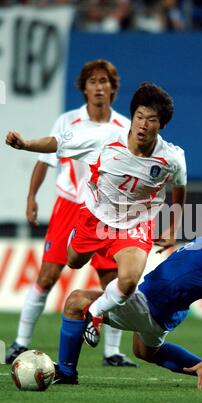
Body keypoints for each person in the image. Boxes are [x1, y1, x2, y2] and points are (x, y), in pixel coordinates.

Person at [6, 82, 187, 351]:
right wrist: (25, 144)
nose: (143, 125)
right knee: (74, 261)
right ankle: (75, 240)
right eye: (139, 117)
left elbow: (180, 188)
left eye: (151, 120)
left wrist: (174, 227)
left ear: (161, 125)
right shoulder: (106, 139)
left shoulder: (172, 158)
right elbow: (58, 143)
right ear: (132, 116)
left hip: (133, 226)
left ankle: (95, 314)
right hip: (95, 218)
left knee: (128, 281)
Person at [50, 195, 202, 388]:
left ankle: (67, 372)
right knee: (143, 351)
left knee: (75, 301)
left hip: (148, 304)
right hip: (162, 313)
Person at [5, 59, 137, 368]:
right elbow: (46, 159)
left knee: (113, 281)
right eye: (92, 81)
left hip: (106, 211)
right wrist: (31, 197)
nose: (98, 87)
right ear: (84, 88)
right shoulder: (68, 122)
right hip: (69, 206)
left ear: (113, 89)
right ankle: (20, 342)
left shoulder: (124, 127)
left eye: (104, 81)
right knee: (47, 276)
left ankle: (112, 352)